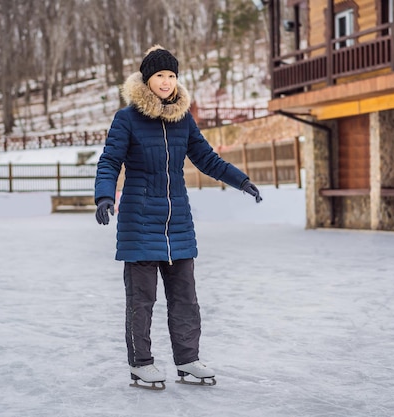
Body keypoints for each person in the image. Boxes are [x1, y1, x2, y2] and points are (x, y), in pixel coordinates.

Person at [94, 45, 262, 389]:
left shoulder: (182, 119)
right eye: (160, 75)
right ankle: (141, 363)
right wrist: (104, 196)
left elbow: (208, 159)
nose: (167, 81)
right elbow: (109, 161)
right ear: (147, 79)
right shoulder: (127, 119)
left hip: (178, 224)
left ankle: (188, 360)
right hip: (139, 223)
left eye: (172, 75)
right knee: (141, 300)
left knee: (186, 298)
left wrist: (241, 180)